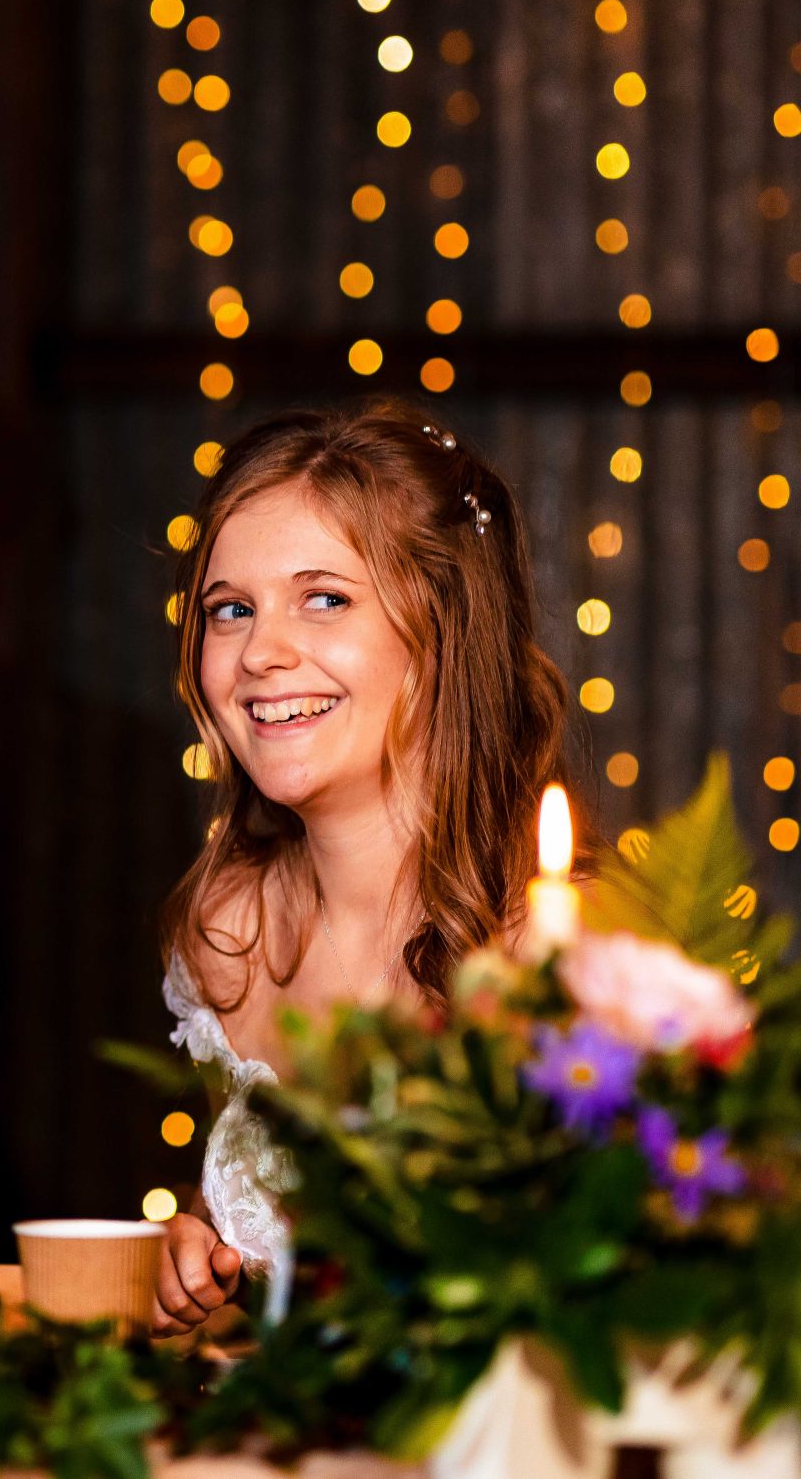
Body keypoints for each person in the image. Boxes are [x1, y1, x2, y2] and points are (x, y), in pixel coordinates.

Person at [148, 402, 570, 1335]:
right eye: (231, 610)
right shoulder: (229, 931)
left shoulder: (563, 957)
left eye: (325, 598)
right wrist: (206, 1276)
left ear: (446, 628)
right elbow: (281, 1302)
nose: (261, 652)